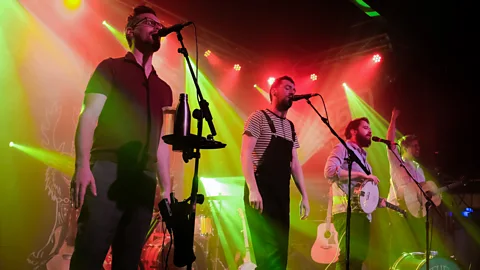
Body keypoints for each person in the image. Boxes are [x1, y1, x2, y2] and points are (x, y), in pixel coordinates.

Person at [69, 5, 173, 270]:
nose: (157, 28)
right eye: (149, 22)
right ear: (130, 31)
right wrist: (82, 165)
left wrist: (166, 187)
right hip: (107, 169)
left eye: (159, 25)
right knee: (90, 252)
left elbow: (162, 141)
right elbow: (89, 116)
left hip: (144, 178)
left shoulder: (163, 89)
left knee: (128, 259)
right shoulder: (110, 68)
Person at [241, 76, 310, 270]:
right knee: (267, 254)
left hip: (281, 194)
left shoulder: (290, 126)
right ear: (273, 91)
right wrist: (253, 189)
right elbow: (245, 154)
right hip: (261, 191)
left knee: (280, 252)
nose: (292, 92)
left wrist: (304, 196)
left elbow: (295, 163)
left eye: (294, 90)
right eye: (288, 88)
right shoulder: (258, 117)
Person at [324, 117, 385, 270]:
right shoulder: (342, 148)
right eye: (365, 127)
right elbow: (329, 171)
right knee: (348, 256)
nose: (370, 130)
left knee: (359, 258)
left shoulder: (365, 161)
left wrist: (376, 200)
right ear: (353, 131)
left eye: (370, 127)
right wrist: (362, 176)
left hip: (362, 214)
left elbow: (363, 192)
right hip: (346, 211)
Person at [385, 108, 427, 265]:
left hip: (414, 210)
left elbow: (422, 189)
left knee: (415, 244)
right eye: (414, 145)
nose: (418, 148)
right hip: (397, 208)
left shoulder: (417, 167)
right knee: (400, 242)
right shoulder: (397, 162)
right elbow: (389, 142)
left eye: (418, 145)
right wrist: (393, 119)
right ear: (405, 147)